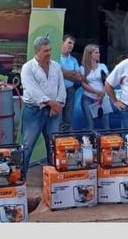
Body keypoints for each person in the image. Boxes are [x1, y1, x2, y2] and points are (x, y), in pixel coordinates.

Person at [20, 36, 66, 175]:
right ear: (37, 51)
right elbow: (32, 90)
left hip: (54, 111)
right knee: (27, 146)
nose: (49, 53)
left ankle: (53, 177)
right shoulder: (27, 68)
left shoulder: (56, 66)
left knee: (54, 145)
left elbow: (61, 87)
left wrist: (58, 105)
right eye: (45, 50)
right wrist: (52, 104)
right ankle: (21, 177)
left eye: (50, 50)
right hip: (34, 111)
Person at [80, 44, 110, 130]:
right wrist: (96, 92)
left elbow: (107, 81)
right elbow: (83, 84)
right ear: (90, 54)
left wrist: (102, 93)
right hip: (88, 98)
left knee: (106, 124)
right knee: (90, 124)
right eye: (96, 52)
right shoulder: (82, 68)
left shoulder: (102, 66)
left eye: (99, 52)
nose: (99, 54)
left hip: (102, 98)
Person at [59, 34, 82, 131]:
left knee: (68, 118)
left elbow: (78, 77)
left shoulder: (74, 60)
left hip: (70, 90)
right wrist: (72, 73)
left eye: (73, 44)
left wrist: (63, 72)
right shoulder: (56, 57)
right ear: (62, 43)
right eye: (69, 42)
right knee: (58, 118)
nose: (71, 45)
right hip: (58, 91)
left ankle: (66, 141)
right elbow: (57, 73)